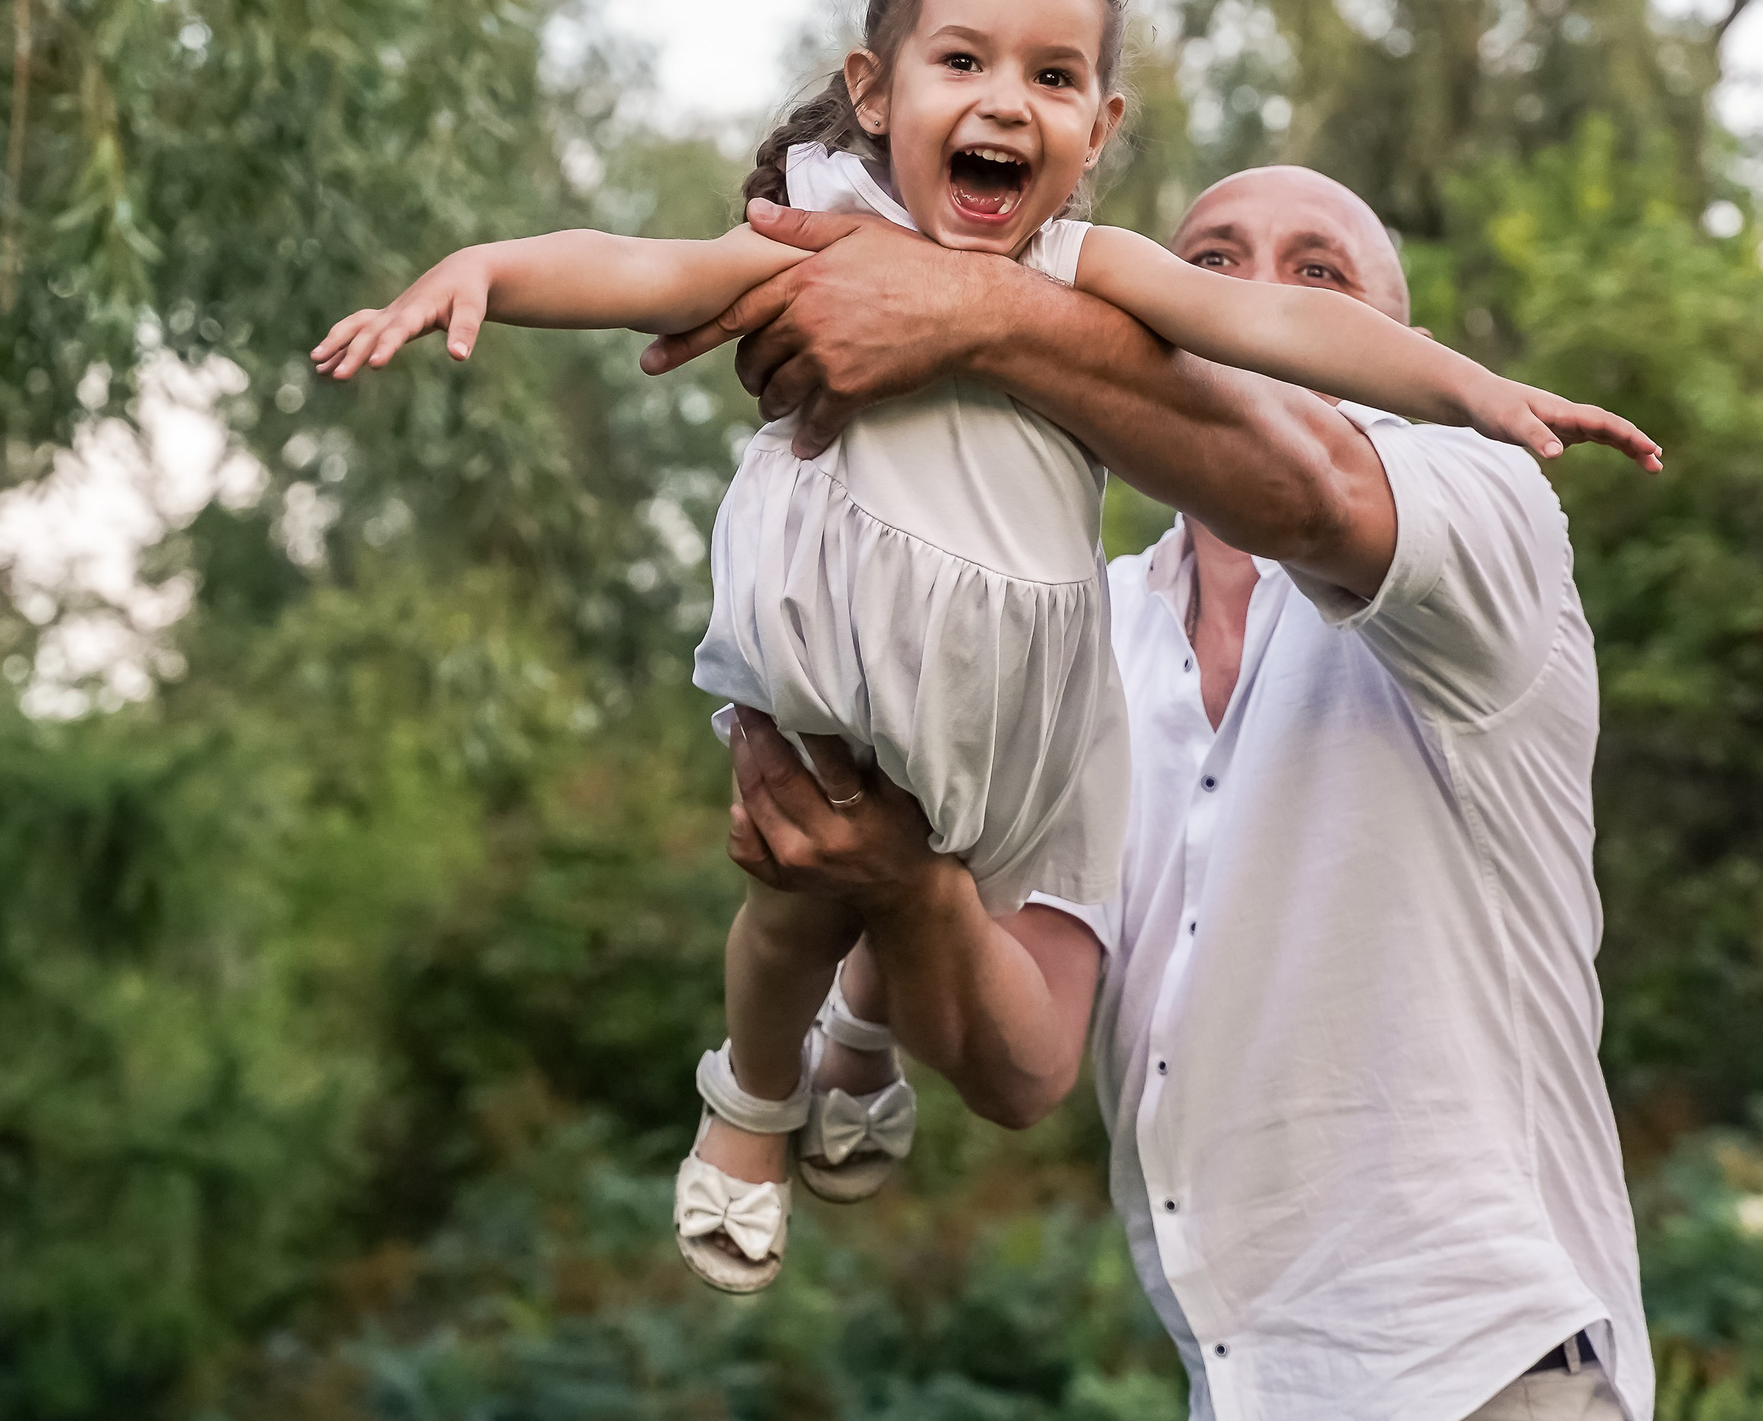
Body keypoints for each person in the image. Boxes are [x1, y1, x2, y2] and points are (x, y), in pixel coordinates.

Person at [312, 0, 1657, 1296]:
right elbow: (645, 268)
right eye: (965, 63)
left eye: (1053, 76)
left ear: (1096, 131)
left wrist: (1480, 389)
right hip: (861, 675)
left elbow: (1296, 388)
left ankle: (851, 1038)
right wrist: (483, 268)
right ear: (874, 93)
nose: (1005, 100)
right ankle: (758, 1098)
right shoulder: (862, 285)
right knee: (802, 897)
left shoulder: (1474, 513)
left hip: (1482, 1338)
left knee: (932, 844)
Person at [649, 165, 1655, 1420]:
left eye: (1321, 272)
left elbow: (1307, 487)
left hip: (1493, 1376)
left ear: (1394, 350)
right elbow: (1022, 1064)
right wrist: (900, 887)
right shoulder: (1091, 626)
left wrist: (971, 306)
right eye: (1209, 263)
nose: (1255, 297)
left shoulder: (1487, 510)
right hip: (1237, 1393)